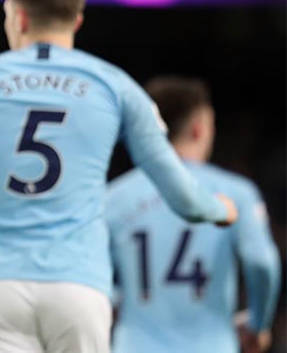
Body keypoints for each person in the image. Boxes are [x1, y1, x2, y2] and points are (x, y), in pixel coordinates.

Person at [0, 0, 238, 352]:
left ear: (20, 16)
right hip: (79, 287)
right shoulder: (116, 86)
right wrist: (219, 209)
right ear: (77, 20)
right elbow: (183, 197)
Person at [106, 76, 281, 353]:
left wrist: (120, 300)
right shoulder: (235, 193)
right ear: (199, 129)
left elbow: (96, 278)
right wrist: (258, 324)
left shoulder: (114, 197)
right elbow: (262, 262)